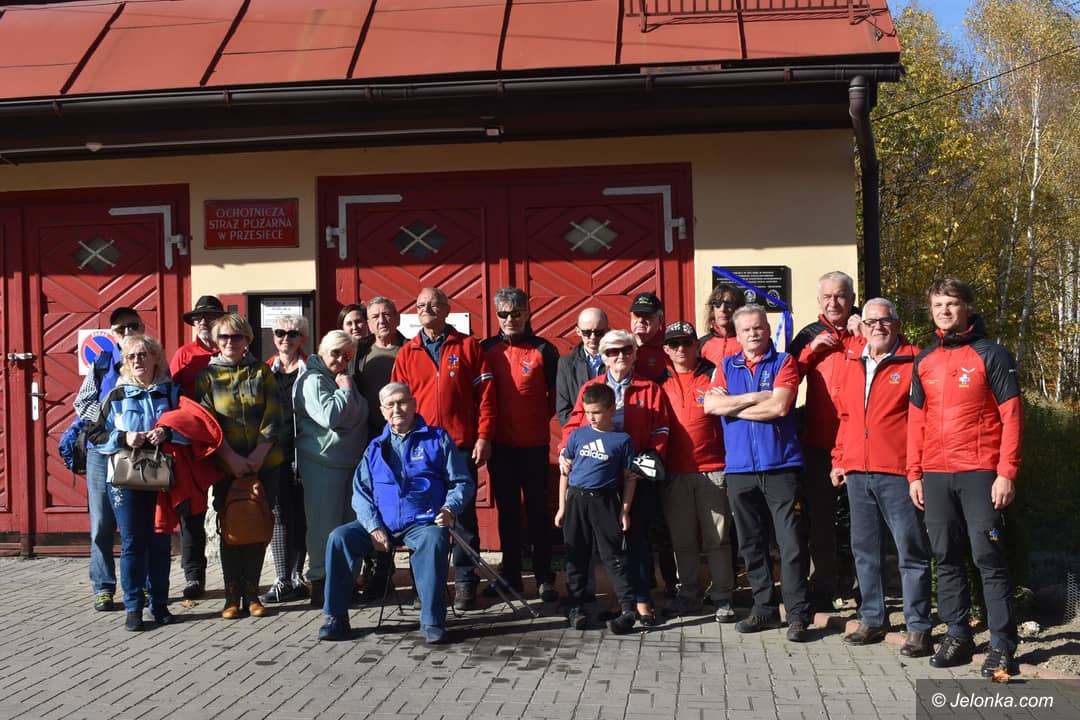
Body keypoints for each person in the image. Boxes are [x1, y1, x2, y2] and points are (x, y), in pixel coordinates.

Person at [907, 278, 1022, 676]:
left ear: (968, 308)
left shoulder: (992, 354)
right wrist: (914, 474)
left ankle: (1003, 643)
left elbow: (1012, 417)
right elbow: (915, 423)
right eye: (937, 304)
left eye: (952, 303)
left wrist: (1006, 472)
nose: (944, 310)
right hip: (936, 474)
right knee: (946, 556)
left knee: (987, 556)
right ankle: (958, 634)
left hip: (979, 472)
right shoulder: (924, 360)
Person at [318, 382, 474, 644]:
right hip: (382, 524)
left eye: (402, 402)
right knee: (339, 538)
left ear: (413, 404)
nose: (397, 409)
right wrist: (372, 526)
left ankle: (432, 620)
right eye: (390, 405)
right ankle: (335, 618)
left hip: (422, 523)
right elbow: (360, 493)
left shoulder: (437, 439)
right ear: (382, 411)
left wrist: (449, 508)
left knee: (434, 539)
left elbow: (462, 482)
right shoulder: (374, 448)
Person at [829, 298, 932, 657]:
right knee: (865, 550)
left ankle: (918, 627)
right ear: (862, 327)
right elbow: (846, 417)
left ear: (897, 324)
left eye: (885, 320)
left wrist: (916, 469)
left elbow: (923, 420)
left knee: (910, 550)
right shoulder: (853, 364)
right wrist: (839, 459)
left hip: (898, 471)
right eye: (871, 322)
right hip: (858, 472)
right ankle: (872, 618)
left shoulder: (914, 361)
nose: (878, 327)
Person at [705, 305, 812, 642]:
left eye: (759, 327)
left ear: (768, 329)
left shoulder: (784, 362)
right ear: (737, 335)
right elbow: (710, 405)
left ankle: (797, 614)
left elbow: (779, 406)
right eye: (747, 329)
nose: (753, 333)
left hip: (781, 467)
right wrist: (754, 397)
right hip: (740, 470)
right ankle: (763, 608)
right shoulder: (725, 366)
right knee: (751, 544)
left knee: (791, 543)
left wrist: (734, 407)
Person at [391, 287, 494, 610]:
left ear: (447, 310)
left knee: (462, 515)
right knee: (421, 517)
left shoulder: (468, 346)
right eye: (420, 305)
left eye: (433, 305)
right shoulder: (407, 352)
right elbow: (396, 402)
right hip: (420, 447)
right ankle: (425, 585)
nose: (426, 309)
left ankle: (465, 582)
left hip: (460, 444)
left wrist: (483, 436)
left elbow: (486, 397)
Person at [561, 329, 670, 625]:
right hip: (598, 481)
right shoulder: (592, 387)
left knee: (637, 541)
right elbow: (574, 423)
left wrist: (647, 461)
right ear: (603, 357)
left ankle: (642, 602)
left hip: (634, 476)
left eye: (626, 350)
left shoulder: (649, 388)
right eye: (612, 352)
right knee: (606, 548)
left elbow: (661, 428)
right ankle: (614, 601)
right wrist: (565, 452)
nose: (619, 356)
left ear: (635, 354)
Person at [87, 334, 183, 631]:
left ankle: (160, 604)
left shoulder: (171, 392)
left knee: (159, 541)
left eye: (143, 354)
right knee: (132, 542)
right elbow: (94, 433)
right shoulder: (116, 395)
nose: (138, 360)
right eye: (131, 357)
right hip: (125, 478)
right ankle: (133, 607)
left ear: (155, 357)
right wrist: (123, 437)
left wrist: (167, 432)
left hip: (161, 477)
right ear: (125, 362)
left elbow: (190, 428)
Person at [195, 313, 284, 619]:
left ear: (247, 339)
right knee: (232, 527)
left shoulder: (262, 372)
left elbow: (274, 415)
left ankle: (253, 593)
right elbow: (206, 422)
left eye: (236, 336)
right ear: (216, 341)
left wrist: (258, 454)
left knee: (256, 525)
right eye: (224, 337)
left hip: (265, 462)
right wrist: (230, 458)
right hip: (226, 465)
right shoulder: (207, 376)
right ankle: (231, 596)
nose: (230, 342)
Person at [481, 287, 560, 601]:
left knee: (538, 513)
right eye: (503, 314)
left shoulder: (544, 350)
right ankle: (510, 576)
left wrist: (534, 420)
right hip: (500, 447)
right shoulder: (486, 349)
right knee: (508, 514)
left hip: (534, 446)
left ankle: (544, 577)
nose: (510, 319)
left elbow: (555, 398)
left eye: (516, 313)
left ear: (527, 313)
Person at [788, 270, 861, 609]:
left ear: (852, 298)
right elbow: (784, 381)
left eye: (841, 295)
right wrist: (809, 352)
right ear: (819, 300)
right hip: (819, 442)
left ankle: (863, 587)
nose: (834, 302)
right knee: (820, 520)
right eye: (827, 296)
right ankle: (823, 586)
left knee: (862, 519)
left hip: (860, 443)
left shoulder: (866, 329)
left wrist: (865, 330)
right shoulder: (808, 334)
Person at [656, 321, 736, 624]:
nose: (681, 349)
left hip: (712, 469)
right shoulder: (658, 380)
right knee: (683, 540)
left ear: (696, 346)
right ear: (666, 349)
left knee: (718, 539)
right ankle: (689, 594)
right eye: (674, 344)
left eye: (687, 343)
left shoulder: (714, 374)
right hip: (675, 472)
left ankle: (723, 597)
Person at [74, 306, 145, 611]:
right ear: (112, 334)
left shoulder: (151, 359)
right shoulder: (102, 362)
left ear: (142, 327)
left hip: (137, 453)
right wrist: (110, 421)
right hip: (101, 451)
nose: (127, 332)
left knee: (137, 524)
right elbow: (82, 403)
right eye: (120, 328)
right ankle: (103, 586)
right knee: (101, 523)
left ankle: (140, 585)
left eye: (133, 326)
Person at [556, 383, 639, 634]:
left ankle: (627, 608)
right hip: (577, 499)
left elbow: (630, 478)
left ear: (611, 409)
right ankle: (576, 605)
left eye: (597, 412)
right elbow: (565, 473)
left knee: (613, 555)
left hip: (605, 501)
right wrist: (562, 507)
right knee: (576, 554)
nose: (591, 417)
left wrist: (624, 511)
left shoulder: (622, 440)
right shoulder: (578, 435)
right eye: (587, 412)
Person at [293, 330, 368, 607]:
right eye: (335, 353)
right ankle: (321, 584)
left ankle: (347, 581)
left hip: (349, 460)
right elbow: (331, 417)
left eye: (347, 355)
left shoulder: (339, 377)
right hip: (322, 462)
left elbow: (361, 413)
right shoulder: (313, 380)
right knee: (324, 527)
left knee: (349, 527)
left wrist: (347, 399)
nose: (340, 359)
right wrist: (346, 390)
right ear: (321, 350)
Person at [169, 294, 226, 600]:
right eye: (198, 318)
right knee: (191, 514)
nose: (203, 322)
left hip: (228, 442)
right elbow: (172, 397)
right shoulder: (184, 355)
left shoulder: (232, 349)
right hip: (193, 446)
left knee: (231, 507)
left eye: (209, 316)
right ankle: (194, 576)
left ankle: (236, 576)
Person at [350, 297, 407, 602]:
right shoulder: (359, 353)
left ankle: (415, 574)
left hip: (403, 438)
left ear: (397, 317)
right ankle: (379, 572)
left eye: (387, 314)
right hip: (369, 437)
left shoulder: (410, 349)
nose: (381, 320)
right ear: (368, 323)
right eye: (375, 316)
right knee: (375, 504)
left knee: (404, 502)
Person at [259, 314, 310, 604]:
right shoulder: (264, 370)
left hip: (304, 451)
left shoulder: (311, 369)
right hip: (274, 453)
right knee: (279, 514)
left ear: (302, 338)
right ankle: (281, 580)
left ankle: (297, 576)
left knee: (301, 515)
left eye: (292, 333)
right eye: (280, 333)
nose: (285, 338)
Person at [555, 308, 609, 426]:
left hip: (612, 429)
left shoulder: (617, 360)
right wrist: (579, 432)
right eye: (587, 332)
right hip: (579, 431)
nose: (593, 337)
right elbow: (563, 409)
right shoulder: (566, 364)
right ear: (578, 331)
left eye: (599, 332)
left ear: (607, 331)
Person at [699, 283, 745, 365]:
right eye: (717, 304)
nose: (723, 309)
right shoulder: (701, 344)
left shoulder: (748, 341)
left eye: (729, 304)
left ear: (738, 308)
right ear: (712, 310)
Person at [629, 292, 669, 382]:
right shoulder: (621, 344)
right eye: (636, 315)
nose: (640, 320)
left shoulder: (670, 346)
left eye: (646, 315)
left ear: (660, 320)